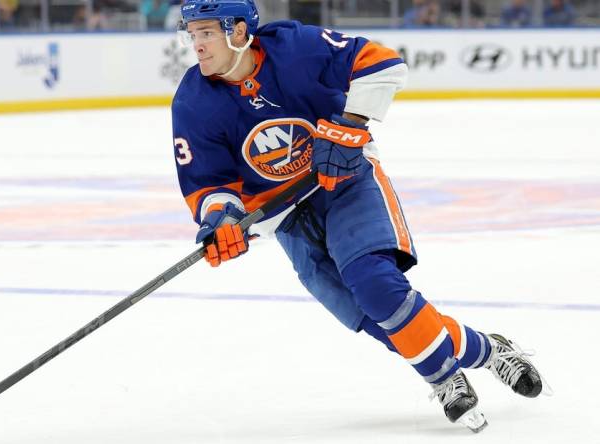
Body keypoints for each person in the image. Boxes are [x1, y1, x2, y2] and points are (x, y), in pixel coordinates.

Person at [171, 0, 548, 432]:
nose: (196, 45)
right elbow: (208, 182)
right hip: (285, 219)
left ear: (238, 32)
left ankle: (445, 378)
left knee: (375, 284)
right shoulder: (193, 102)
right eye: (192, 35)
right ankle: (489, 350)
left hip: (343, 183)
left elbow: (383, 64)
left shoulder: (295, 48)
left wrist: (349, 125)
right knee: (378, 321)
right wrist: (222, 221)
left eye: (206, 34)